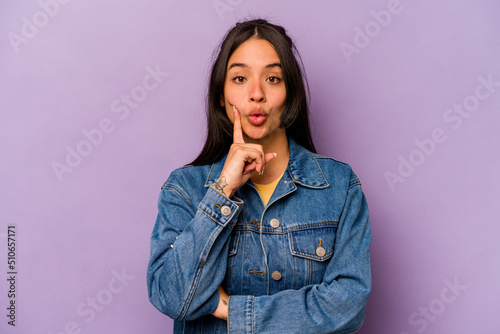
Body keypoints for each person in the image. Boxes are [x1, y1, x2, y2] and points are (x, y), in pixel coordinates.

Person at [147, 19, 371, 333]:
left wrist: (231, 310)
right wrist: (222, 191)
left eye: (273, 78)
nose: (256, 94)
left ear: (290, 94)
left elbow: (348, 305)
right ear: (221, 97)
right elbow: (171, 296)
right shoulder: (184, 189)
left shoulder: (339, 186)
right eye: (239, 78)